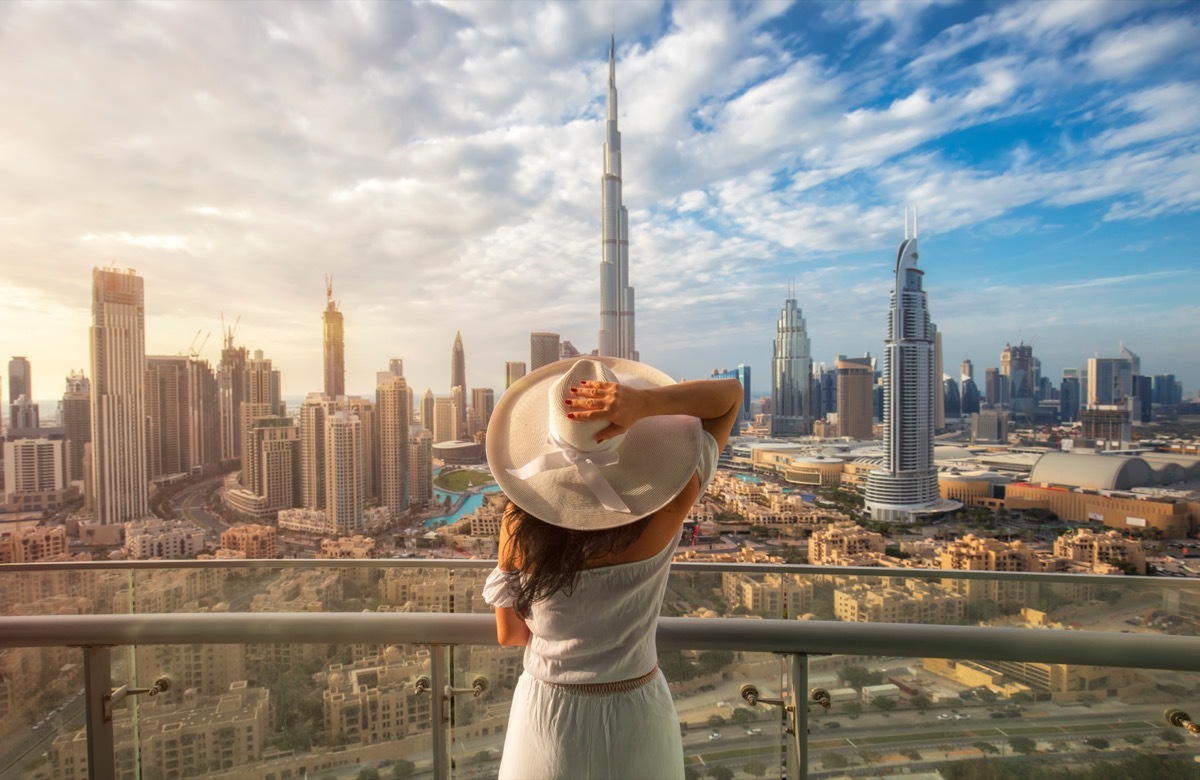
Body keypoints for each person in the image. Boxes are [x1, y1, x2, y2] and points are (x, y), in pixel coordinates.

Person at [482, 357, 742, 779]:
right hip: (636, 711)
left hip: (546, 717)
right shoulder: (669, 505)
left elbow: (511, 634)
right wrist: (643, 404)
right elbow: (729, 397)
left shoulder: (519, 522)